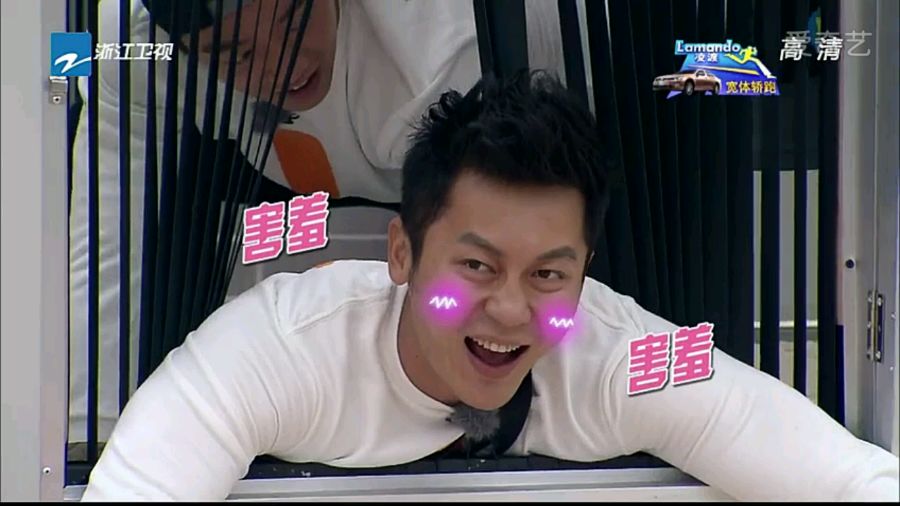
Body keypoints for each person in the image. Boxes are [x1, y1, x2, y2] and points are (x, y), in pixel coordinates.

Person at [80, 72, 899, 501]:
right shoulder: (278, 349)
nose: (511, 310)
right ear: (402, 253)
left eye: (549, 274)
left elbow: (848, 481)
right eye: (475, 267)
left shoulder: (620, 353)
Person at [68, 0, 564, 446]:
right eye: (237, 55)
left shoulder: (441, 54)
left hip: (526, 141)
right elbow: (109, 241)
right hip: (286, 180)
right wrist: (90, 433)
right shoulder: (131, 48)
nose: (282, 64)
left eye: (294, 22)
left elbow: (499, 270)